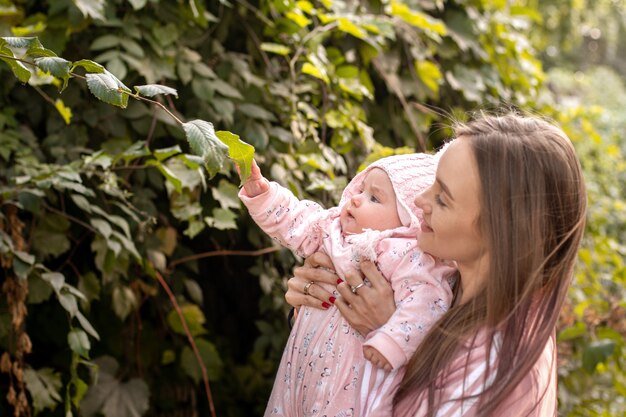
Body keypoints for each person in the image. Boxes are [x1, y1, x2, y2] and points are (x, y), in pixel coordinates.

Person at [285, 112, 587, 417]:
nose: (418, 201)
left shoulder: (497, 365)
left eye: (442, 199)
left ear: (500, 230)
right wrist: (319, 312)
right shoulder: (437, 283)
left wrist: (389, 335)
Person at [238, 154, 456, 416]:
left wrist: (391, 342)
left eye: (374, 198)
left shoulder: (406, 256)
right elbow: (296, 219)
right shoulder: (332, 231)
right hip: (300, 370)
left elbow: (426, 304)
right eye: (362, 190)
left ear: (409, 220)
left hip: (349, 381)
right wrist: (262, 192)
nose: (356, 198)